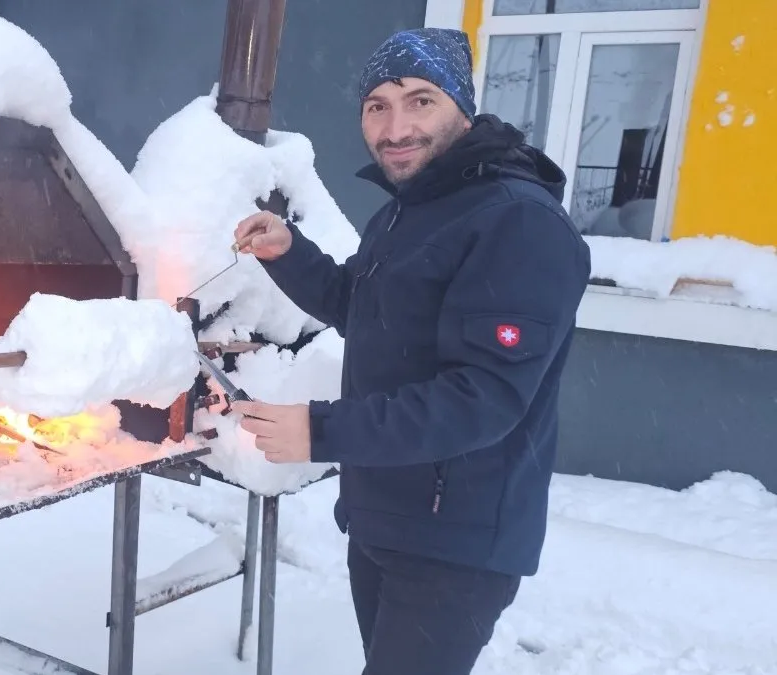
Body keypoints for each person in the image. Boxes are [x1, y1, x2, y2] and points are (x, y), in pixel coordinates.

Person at [230, 27, 591, 675]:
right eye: (377, 105)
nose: (394, 127)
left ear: (462, 105)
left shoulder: (519, 222)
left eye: (419, 100)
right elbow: (363, 309)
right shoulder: (410, 210)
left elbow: (482, 399)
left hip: (456, 544)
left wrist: (320, 429)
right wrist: (290, 252)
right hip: (385, 515)